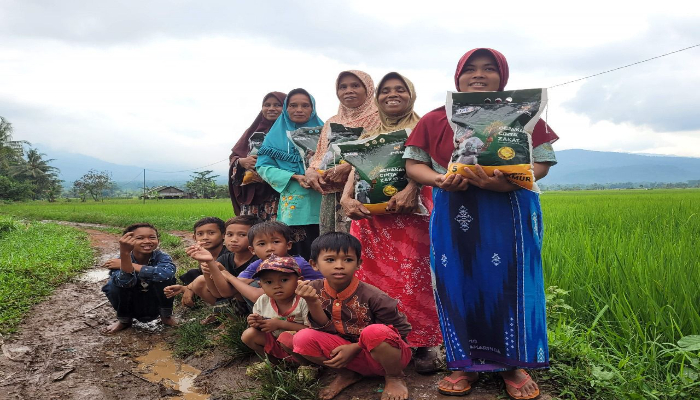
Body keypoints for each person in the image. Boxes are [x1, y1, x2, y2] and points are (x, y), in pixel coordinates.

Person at [404, 48, 558, 399]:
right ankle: (463, 364)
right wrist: (439, 179)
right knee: (457, 282)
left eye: (489, 69)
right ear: (457, 78)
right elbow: (414, 164)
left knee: (511, 283)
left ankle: (513, 365)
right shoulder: (435, 118)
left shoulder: (524, 115)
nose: (479, 74)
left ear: (502, 77)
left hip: (510, 208)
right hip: (454, 207)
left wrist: (507, 181)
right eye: (470, 69)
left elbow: (542, 162)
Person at [339, 72, 442, 373]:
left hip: (412, 218)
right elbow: (356, 169)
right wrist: (346, 198)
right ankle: (380, 340)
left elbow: (430, 165)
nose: (392, 94)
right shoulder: (369, 132)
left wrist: (412, 189)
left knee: (415, 277)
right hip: (371, 220)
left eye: (400, 89)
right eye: (385, 90)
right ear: (377, 97)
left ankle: (423, 343)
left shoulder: (425, 127)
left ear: (411, 95)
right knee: (373, 277)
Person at [293, 232, 412, 400]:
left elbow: (401, 330)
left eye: (348, 260)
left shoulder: (374, 296)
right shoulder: (313, 289)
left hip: (386, 358)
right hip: (348, 358)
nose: (339, 266)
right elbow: (324, 329)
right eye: (330, 260)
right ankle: (347, 374)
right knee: (302, 338)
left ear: (358, 264)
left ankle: (395, 378)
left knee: (374, 332)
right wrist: (312, 302)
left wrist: (356, 347)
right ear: (314, 264)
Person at [305, 70, 382, 235]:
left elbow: (382, 153)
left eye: (355, 85)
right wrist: (310, 171)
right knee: (331, 242)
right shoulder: (332, 121)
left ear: (368, 89)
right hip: (331, 195)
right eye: (343, 87)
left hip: (363, 192)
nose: (349, 91)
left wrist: (349, 166)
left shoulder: (381, 117)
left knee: (358, 243)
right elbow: (320, 155)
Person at [255, 88, 325, 260]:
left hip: (324, 199)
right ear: (286, 109)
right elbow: (263, 167)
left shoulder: (325, 133)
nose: (299, 110)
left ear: (312, 108)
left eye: (305, 105)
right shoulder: (274, 136)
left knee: (325, 249)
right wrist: (294, 176)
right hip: (295, 205)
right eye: (293, 105)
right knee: (298, 253)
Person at [164, 215, 260, 318]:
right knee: (197, 278)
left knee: (245, 288)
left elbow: (228, 292)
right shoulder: (225, 258)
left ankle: (235, 317)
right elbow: (217, 293)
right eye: (230, 234)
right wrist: (208, 265)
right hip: (233, 297)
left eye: (242, 235)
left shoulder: (258, 261)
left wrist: (223, 272)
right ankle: (227, 316)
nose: (234, 239)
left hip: (253, 302)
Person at [214, 221, 324, 306]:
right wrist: (212, 267)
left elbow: (257, 297)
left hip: (319, 302)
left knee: (255, 285)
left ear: (288, 245)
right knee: (246, 285)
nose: (270, 248)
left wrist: (228, 276)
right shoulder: (258, 264)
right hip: (293, 302)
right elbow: (228, 292)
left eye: (276, 242)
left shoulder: (293, 263)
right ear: (252, 250)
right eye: (262, 244)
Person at [101, 223, 177, 334]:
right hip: (133, 303)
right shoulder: (119, 260)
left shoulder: (161, 257)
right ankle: (125, 320)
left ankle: (166, 316)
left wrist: (131, 266)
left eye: (152, 237)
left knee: (166, 279)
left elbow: (166, 273)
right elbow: (125, 283)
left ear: (158, 240)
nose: (147, 241)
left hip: (154, 303)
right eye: (140, 238)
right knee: (112, 286)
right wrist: (125, 254)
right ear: (128, 242)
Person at [241, 255, 309, 365]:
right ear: (261, 285)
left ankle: (307, 365)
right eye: (269, 282)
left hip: (300, 347)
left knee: (286, 338)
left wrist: (280, 324)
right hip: (276, 342)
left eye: (284, 280)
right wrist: (255, 322)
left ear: (299, 281)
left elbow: (311, 330)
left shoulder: (304, 300)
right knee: (249, 334)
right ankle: (273, 362)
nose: (277, 286)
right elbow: (260, 327)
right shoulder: (263, 301)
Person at [228, 91, 287, 219]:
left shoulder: (291, 132)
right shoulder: (252, 131)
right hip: (252, 195)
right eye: (267, 105)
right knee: (251, 229)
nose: (271, 108)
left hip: (280, 194)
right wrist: (242, 162)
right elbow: (234, 156)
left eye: (277, 105)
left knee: (276, 229)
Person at [177, 217, 229, 308]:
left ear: (223, 235)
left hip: (226, 289)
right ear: (194, 237)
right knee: (192, 273)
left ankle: (223, 308)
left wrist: (190, 287)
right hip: (210, 283)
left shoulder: (228, 255)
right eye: (200, 234)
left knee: (200, 279)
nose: (205, 238)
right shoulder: (201, 253)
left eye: (211, 233)